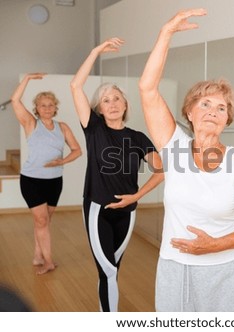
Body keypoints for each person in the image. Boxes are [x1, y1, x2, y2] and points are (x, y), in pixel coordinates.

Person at [138, 8, 234, 312]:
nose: (212, 112)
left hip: (228, 272)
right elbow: (147, 89)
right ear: (189, 112)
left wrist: (215, 246)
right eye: (205, 104)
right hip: (176, 270)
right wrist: (166, 32)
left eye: (221, 108)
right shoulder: (173, 146)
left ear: (227, 119)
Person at [70, 38, 164, 312]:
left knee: (112, 270)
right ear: (99, 108)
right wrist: (95, 51)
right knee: (109, 271)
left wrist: (136, 196)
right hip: (98, 207)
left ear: (125, 104)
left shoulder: (137, 137)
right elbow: (76, 86)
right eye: (105, 100)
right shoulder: (94, 128)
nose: (111, 104)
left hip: (127, 212)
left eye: (116, 98)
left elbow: (162, 170)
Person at [11, 73, 82, 275]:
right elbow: (15, 100)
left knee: (44, 221)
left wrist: (62, 161)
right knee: (41, 221)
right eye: (43, 105)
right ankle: (48, 261)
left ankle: (37, 254)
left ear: (55, 107)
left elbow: (77, 150)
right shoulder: (31, 123)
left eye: (50, 105)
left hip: (54, 181)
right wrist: (27, 79)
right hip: (32, 180)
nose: (47, 108)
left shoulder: (63, 127)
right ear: (36, 108)